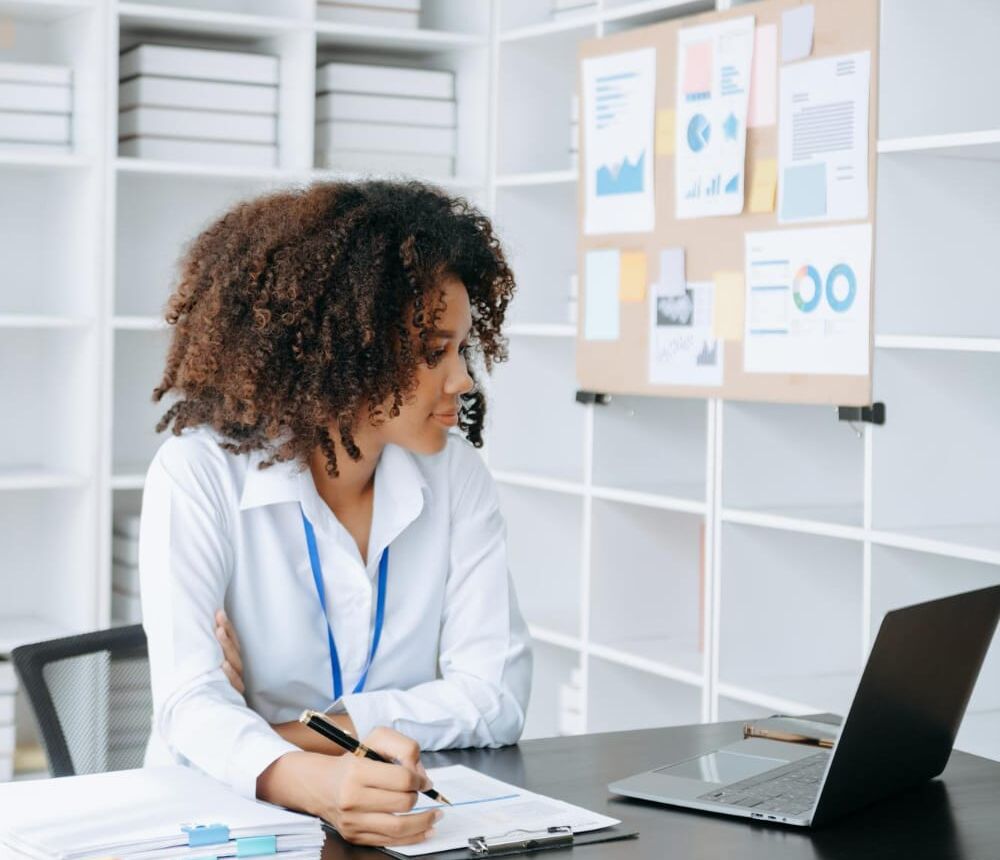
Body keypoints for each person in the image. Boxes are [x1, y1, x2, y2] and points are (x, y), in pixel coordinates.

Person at [138, 180, 532, 847]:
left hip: (397, 820)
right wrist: (317, 783)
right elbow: (189, 708)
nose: (461, 380)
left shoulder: (457, 475)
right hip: (219, 828)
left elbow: (496, 697)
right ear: (348, 349)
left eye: (463, 349)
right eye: (433, 350)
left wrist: (284, 735)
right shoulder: (198, 474)